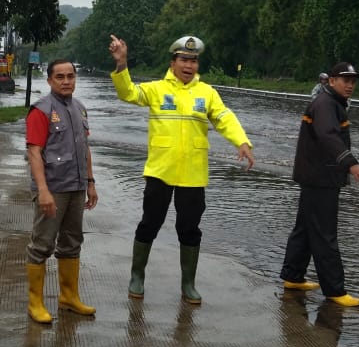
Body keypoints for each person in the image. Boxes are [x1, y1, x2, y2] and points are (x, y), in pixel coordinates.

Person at [108, 33, 255, 305]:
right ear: (173, 62)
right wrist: (122, 63)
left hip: (193, 174)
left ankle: (188, 284)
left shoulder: (207, 93)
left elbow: (224, 117)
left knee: (189, 229)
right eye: (184, 60)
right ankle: (137, 276)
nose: (189, 65)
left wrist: (242, 142)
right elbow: (128, 93)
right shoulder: (156, 89)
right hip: (160, 171)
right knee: (149, 224)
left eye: (193, 61)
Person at [280, 61, 359, 307]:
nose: (350, 85)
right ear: (332, 81)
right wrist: (351, 163)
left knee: (305, 229)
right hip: (321, 179)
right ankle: (335, 290)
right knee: (324, 234)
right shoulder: (326, 104)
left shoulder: (331, 102)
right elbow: (327, 135)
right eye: (345, 80)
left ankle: (293, 277)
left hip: (316, 177)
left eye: (353, 81)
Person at [25, 59, 98, 324]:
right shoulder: (41, 111)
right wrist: (43, 190)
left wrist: (90, 182)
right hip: (53, 188)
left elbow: (84, 147)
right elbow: (34, 152)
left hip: (76, 187)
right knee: (42, 244)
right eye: (60, 77)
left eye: (70, 76)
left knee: (72, 242)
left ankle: (69, 297)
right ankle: (35, 302)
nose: (66, 81)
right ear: (49, 81)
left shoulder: (80, 108)